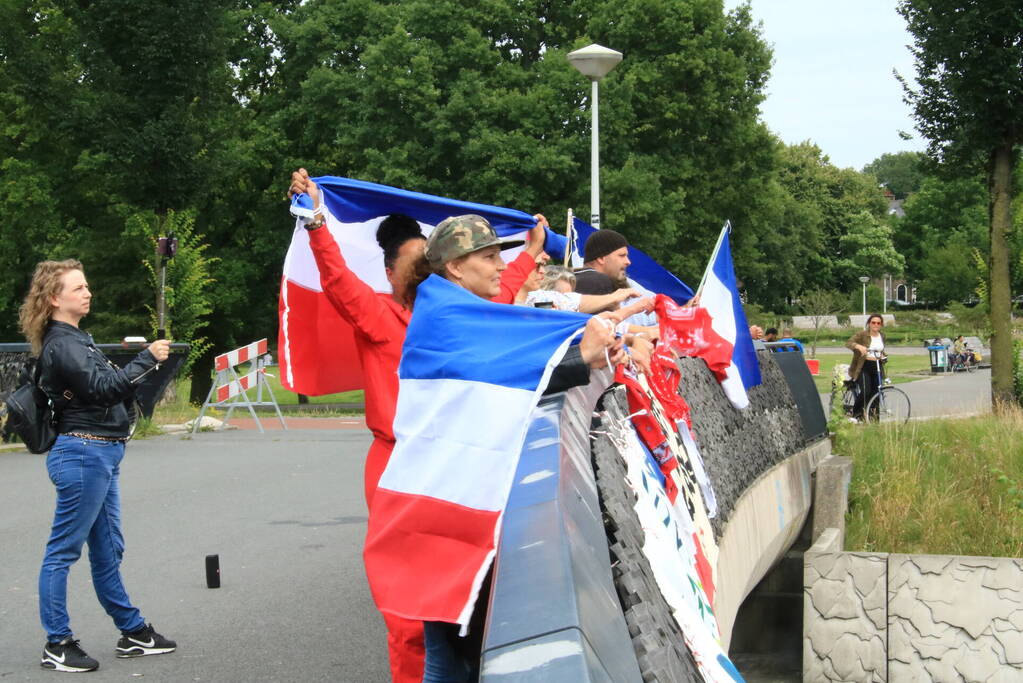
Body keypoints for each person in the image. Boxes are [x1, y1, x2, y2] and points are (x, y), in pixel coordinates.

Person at [287, 169, 548, 683]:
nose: (423, 275)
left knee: (466, 596)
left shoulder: (458, 316)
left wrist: (532, 251)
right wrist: (317, 219)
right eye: (413, 266)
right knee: (410, 614)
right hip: (398, 465)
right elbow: (337, 279)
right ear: (389, 273)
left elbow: (501, 288)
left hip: (458, 460)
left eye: (429, 263)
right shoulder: (377, 316)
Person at [398, 215, 623, 681]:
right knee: (449, 651)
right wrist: (581, 352)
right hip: (444, 502)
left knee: (455, 646)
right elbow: (505, 367)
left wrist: (581, 348)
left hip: (448, 496)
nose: (501, 265)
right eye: (489, 256)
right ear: (456, 268)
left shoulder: (453, 308)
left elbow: (516, 348)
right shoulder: (449, 315)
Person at [19, 259, 175, 673]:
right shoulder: (63, 344)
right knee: (62, 552)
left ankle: (133, 631)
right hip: (83, 454)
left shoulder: (76, 338)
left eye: (87, 286)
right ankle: (57, 643)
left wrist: (142, 368)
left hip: (101, 454)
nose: (87, 293)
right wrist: (146, 359)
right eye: (78, 288)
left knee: (108, 549)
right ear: (55, 298)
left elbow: (104, 389)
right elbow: (105, 390)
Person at [846, 313, 887, 419]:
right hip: (864, 366)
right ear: (869, 323)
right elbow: (849, 342)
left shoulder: (882, 336)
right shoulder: (862, 334)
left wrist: (883, 356)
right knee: (866, 391)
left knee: (876, 393)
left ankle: (873, 420)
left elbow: (881, 350)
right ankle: (855, 414)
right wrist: (858, 346)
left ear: (881, 324)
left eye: (878, 323)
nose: (876, 325)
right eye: (873, 322)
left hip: (877, 366)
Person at [573, 229, 631, 295]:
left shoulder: (573, 280)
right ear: (601, 258)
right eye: (622, 255)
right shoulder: (599, 282)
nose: (628, 262)